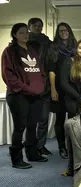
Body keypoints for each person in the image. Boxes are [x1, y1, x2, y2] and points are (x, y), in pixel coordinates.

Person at [2, 23, 48, 169]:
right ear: (15, 34)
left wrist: (41, 85)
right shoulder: (9, 52)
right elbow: (8, 76)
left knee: (32, 126)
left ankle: (32, 153)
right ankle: (16, 158)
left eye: (26, 32)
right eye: (21, 33)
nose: (25, 35)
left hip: (36, 95)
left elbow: (40, 71)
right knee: (19, 127)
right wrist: (27, 89)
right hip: (18, 95)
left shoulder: (32, 50)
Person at [48, 22, 77, 159]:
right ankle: (61, 147)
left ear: (69, 31)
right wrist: (53, 89)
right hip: (59, 88)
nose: (63, 32)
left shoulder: (75, 47)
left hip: (72, 87)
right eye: (60, 31)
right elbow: (51, 71)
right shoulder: (54, 48)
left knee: (72, 119)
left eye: (66, 30)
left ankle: (72, 145)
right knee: (59, 120)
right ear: (58, 33)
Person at [27, 17, 52, 156]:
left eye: (40, 26)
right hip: (29, 87)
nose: (38, 28)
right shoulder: (22, 43)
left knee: (43, 119)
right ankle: (30, 146)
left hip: (45, 86)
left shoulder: (46, 41)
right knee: (31, 120)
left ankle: (41, 146)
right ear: (29, 26)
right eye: (35, 25)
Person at [60, 39, 81, 118]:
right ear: (76, 49)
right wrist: (79, 97)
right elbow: (63, 83)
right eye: (80, 48)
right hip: (72, 100)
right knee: (74, 126)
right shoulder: (68, 62)